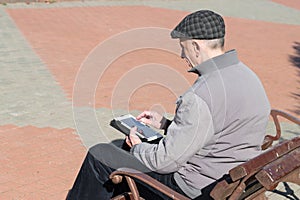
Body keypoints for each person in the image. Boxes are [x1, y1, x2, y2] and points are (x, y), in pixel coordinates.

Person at [66, 10, 270, 199]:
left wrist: (138, 148)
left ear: (196, 46)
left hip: (191, 188)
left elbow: (165, 162)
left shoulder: (200, 95)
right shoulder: (248, 76)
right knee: (116, 149)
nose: (182, 55)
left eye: (183, 47)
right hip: (229, 178)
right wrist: (165, 124)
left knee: (100, 156)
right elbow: (217, 129)